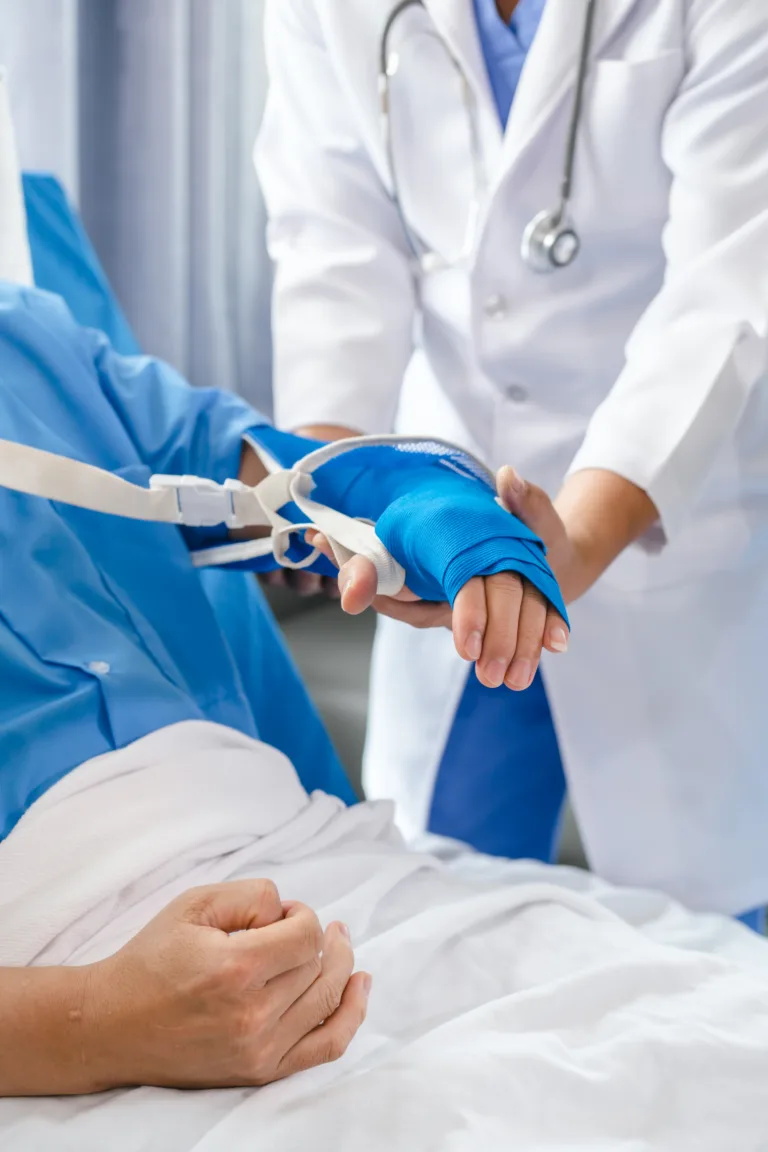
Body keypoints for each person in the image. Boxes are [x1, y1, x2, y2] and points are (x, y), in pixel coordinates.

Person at [255, 0, 768, 926]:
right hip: (455, 512)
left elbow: (723, 292)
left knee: (714, 957)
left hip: (668, 504)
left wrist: (566, 547)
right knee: (449, 928)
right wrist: (332, 490)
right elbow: (335, 248)